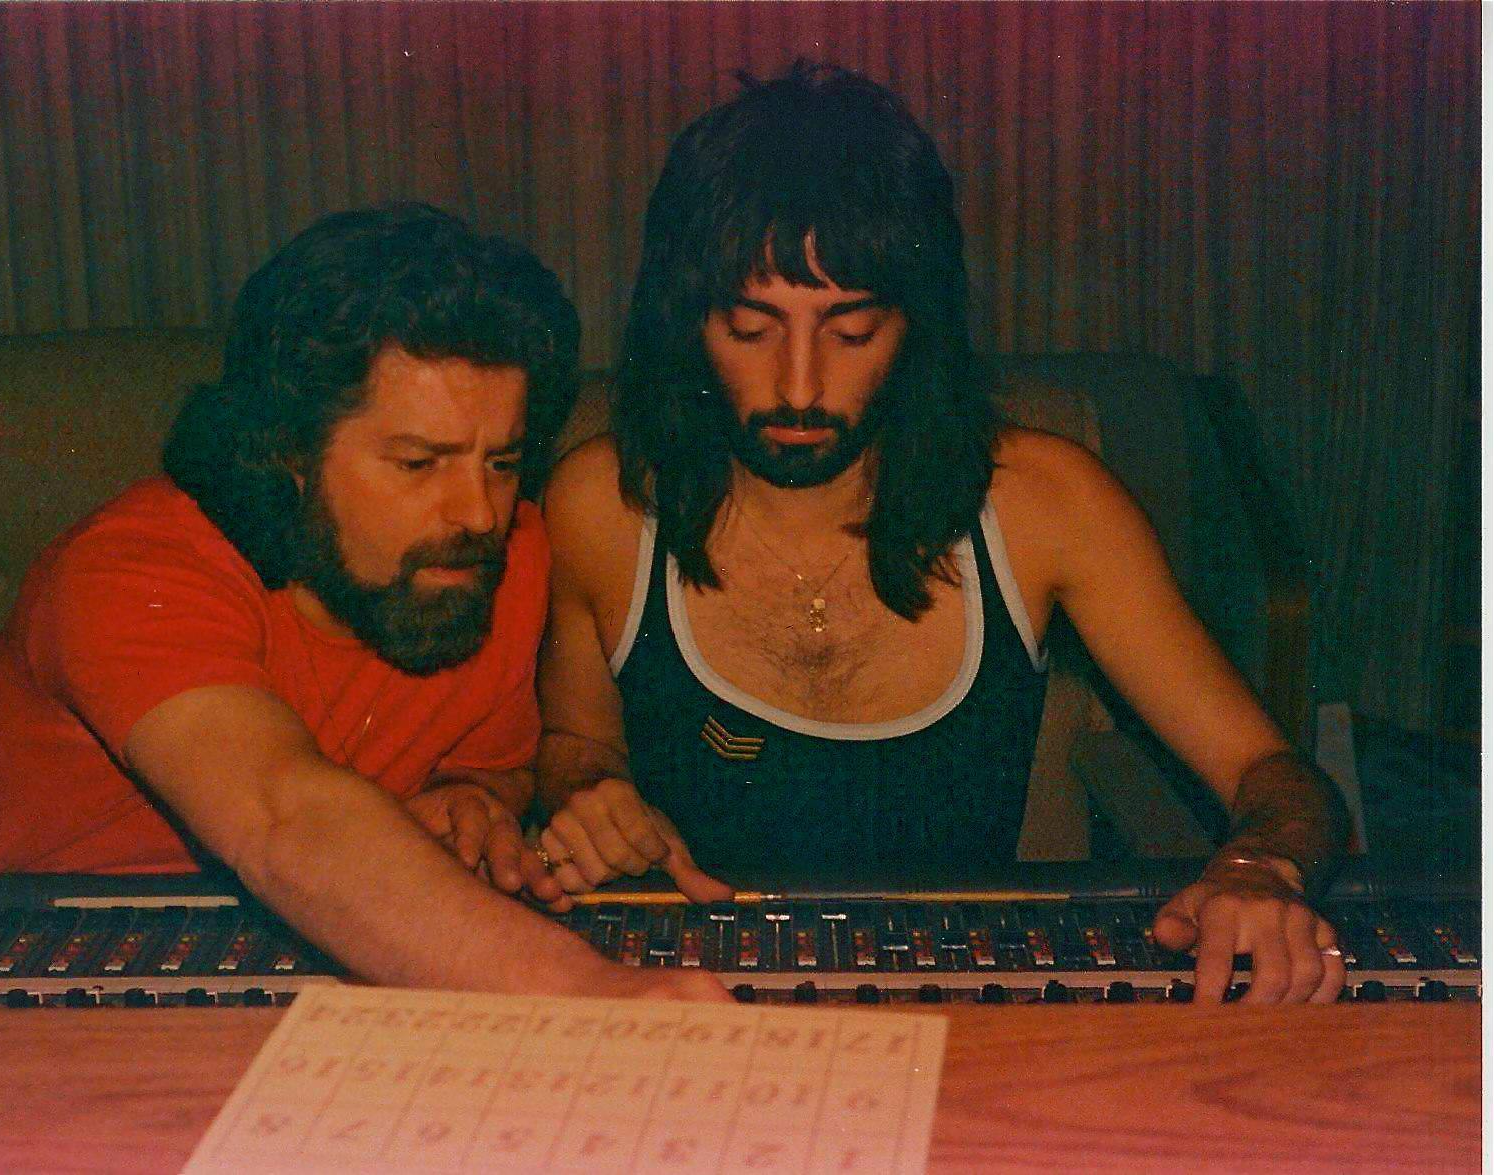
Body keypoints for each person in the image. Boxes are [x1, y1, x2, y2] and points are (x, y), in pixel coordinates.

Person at [533, 64, 1350, 1005]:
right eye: (750, 329)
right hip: (688, 1002)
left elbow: (1273, 775)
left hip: (961, 1004)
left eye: (851, 331)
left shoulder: (1047, 505)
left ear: (913, 328)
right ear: (687, 326)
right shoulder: (601, 503)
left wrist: (1258, 867)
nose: (798, 386)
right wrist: (588, 797)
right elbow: (573, 742)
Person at [0, 204, 726, 1002]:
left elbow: (491, 762)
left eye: (501, 462)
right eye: (418, 463)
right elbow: (281, 815)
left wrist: (471, 799)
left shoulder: (494, 561)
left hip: (306, 970)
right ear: (289, 453)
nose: (479, 513)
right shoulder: (132, 569)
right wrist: (589, 989)